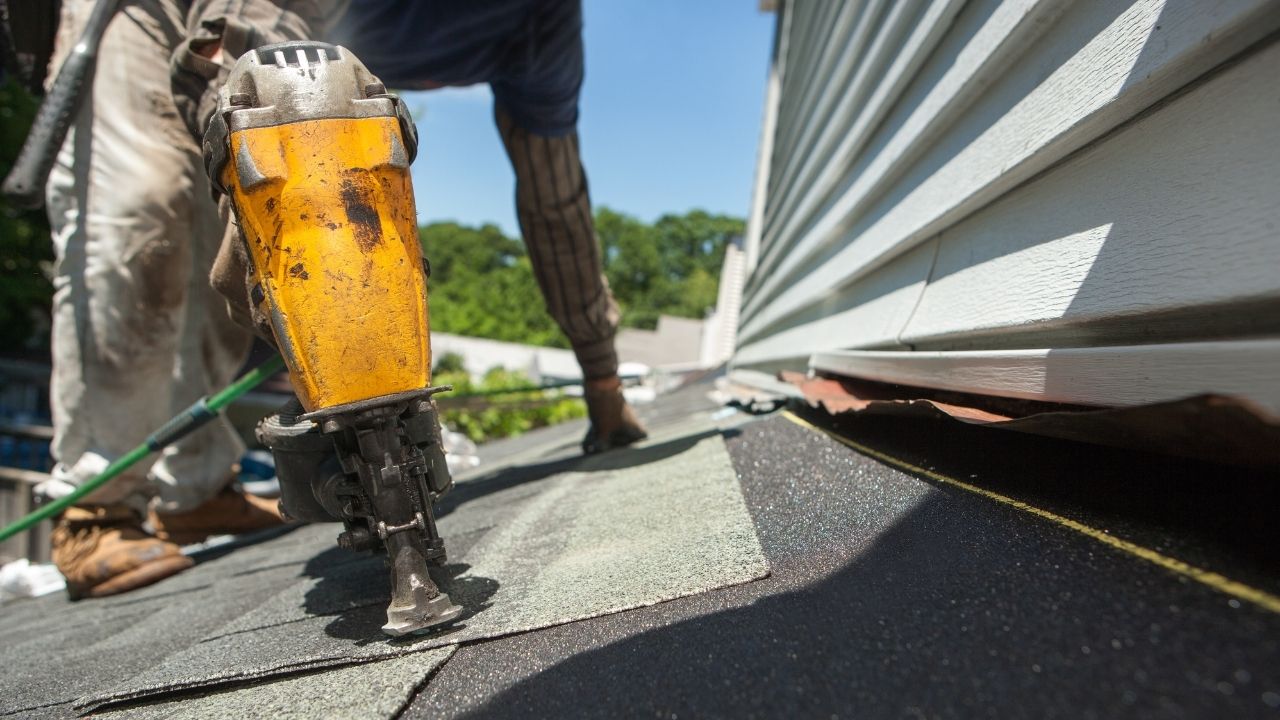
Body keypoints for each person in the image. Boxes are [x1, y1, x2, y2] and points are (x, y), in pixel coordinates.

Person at [216, 0, 650, 454]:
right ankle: (194, 480)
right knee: (227, 163)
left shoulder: (541, 21)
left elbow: (555, 201)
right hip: (259, 28)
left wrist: (604, 380)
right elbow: (247, 83)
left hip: (485, 33)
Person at [36, 0, 336, 600]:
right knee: (139, 213)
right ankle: (95, 505)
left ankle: (196, 489)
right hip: (128, 11)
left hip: (259, 12)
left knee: (224, 240)